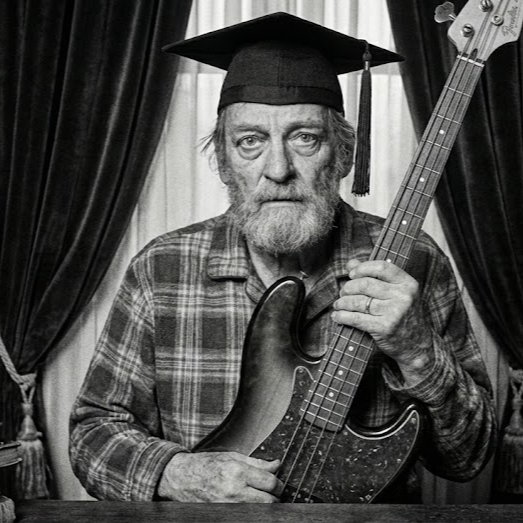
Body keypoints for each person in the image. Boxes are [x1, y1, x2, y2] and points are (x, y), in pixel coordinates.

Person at [69, 12, 497, 503]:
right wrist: (179, 473)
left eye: (304, 138)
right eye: (250, 141)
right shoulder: (161, 269)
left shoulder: (413, 261)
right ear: (223, 161)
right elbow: (92, 433)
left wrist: (416, 349)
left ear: (343, 155)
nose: (278, 169)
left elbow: (468, 459)